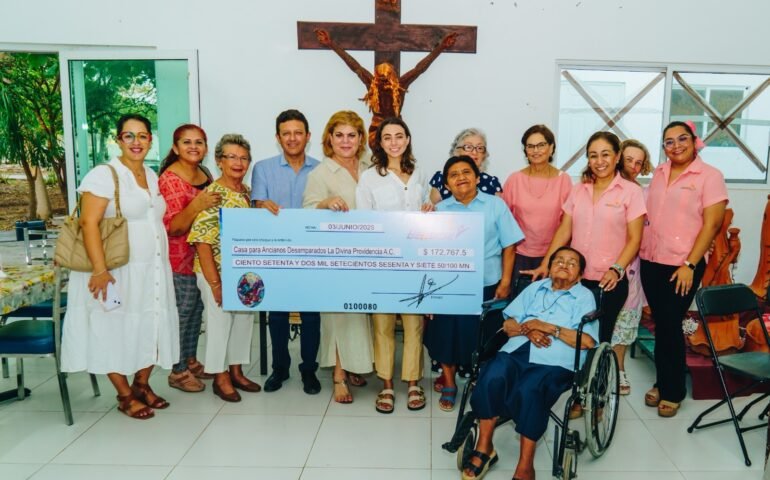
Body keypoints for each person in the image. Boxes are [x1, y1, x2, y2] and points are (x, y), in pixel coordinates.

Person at [61, 114, 179, 420]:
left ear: (150, 140)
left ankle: (141, 384)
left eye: (143, 136)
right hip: (115, 272)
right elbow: (88, 223)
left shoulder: (151, 175)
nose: (136, 142)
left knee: (150, 323)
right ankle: (125, 395)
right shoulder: (103, 175)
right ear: (118, 140)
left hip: (151, 271)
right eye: (129, 136)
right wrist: (100, 271)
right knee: (112, 327)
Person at [462, 246, 597, 480]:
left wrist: (547, 327)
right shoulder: (535, 288)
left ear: (580, 275)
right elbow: (508, 325)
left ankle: (525, 464)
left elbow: (587, 341)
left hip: (556, 360)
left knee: (531, 389)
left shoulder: (584, 297)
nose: (564, 265)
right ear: (549, 267)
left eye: (572, 263)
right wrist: (529, 329)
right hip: (517, 350)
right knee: (492, 375)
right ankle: (485, 447)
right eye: (559, 260)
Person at [525, 131, 646, 349]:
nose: (599, 161)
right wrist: (546, 264)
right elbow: (564, 230)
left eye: (605, 154)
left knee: (599, 340)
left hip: (609, 281)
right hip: (576, 278)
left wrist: (617, 269)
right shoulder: (579, 190)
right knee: (572, 335)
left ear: (617, 156)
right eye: (593, 155)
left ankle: (598, 372)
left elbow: (635, 239)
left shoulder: (631, 192)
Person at [640, 121, 727, 417]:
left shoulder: (710, 176)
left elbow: (712, 224)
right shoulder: (660, 172)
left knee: (669, 323)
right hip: (651, 260)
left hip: (683, 265)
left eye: (682, 139)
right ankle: (663, 381)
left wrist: (690, 263)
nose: (676, 145)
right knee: (663, 324)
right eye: (669, 141)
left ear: (694, 141)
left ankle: (672, 390)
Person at [425, 155, 524, 411]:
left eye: (466, 172)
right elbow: (427, 252)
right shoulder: (440, 210)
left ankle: (483, 381)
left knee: (485, 336)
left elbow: (509, 245)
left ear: (477, 177)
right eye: (454, 174)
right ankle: (449, 383)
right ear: (447, 183)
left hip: (487, 282)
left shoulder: (495, 205)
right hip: (449, 286)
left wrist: (505, 281)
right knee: (445, 334)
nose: (461, 178)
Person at [355, 117, 433, 413]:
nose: (394, 142)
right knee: (383, 325)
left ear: (408, 139)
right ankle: (386, 385)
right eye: (387, 137)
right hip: (383, 262)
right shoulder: (369, 177)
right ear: (380, 142)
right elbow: (364, 221)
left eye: (399, 136)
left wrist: (429, 208)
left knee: (414, 324)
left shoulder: (419, 172)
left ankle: (413, 383)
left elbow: (427, 208)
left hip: (415, 261)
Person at [303, 110, 374, 403]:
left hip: (368, 254)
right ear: (329, 139)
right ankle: (338, 376)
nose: (346, 141)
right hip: (335, 258)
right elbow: (306, 213)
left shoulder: (371, 167)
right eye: (339, 135)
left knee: (359, 316)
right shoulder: (320, 173)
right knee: (338, 317)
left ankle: (355, 365)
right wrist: (325, 203)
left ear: (360, 139)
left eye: (352, 135)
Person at [250, 109, 322, 395]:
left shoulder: (321, 169)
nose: (292, 138)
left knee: (311, 315)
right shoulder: (263, 168)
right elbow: (257, 206)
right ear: (278, 138)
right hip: (276, 254)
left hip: (312, 255)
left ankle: (309, 370)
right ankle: (280, 368)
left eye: (298, 132)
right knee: (277, 315)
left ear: (308, 136)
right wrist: (260, 206)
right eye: (286, 133)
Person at [188, 134, 262, 403]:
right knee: (219, 323)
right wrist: (215, 284)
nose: (238, 163)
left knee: (243, 321)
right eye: (231, 157)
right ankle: (220, 377)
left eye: (243, 158)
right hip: (215, 271)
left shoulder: (248, 192)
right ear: (219, 161)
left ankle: (236, 371)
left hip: (243, 273)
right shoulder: (213, 194)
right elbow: (202, 242)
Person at [314, 28, 458, 148]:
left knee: (396, 153)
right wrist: (331, 44)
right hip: (376, 127)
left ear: (393, 76)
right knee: (380, 159)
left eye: (387, 78)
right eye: (381, 79)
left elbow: (419, 69)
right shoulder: (372, 83)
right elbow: (355, 66)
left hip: (396, 126)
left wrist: (441, 47)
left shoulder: (400, 85)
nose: (384, 82)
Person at [158, 124, 221, 393]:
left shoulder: (204, 173)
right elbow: (173, 227)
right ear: (175, 147)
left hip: (202, 257)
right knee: (182, 313)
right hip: (179, 257)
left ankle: (191, 360)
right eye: (187, 142)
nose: (193, 147)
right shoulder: (170, 179)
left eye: (199, 142)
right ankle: (177, 370)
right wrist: (197, 205)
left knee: (197, 310)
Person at [501, 124, 572, 284]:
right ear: (525, 150)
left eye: (541, 145)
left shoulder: (563, 180)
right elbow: (505, 223)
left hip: (554, 255)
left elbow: (567, 224)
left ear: (551, 147)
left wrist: (551, 259)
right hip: (518, 255)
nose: (536, 150)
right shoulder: (514, 179)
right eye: (530, 146)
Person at [612, 139, 653, 395]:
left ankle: (619, 370)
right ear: (618, 158)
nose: (634, 167)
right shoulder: (602, 186)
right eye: (629, 160)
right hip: (601, 262)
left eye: (639, 162)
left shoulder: (643, 193)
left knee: (625, 321)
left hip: (632, 265)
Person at [429, 128, 502, 204]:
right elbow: (434, 209)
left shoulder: (491, 183)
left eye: (480, 148)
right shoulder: (441, 179)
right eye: (468, 147)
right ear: (457, 151)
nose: (474, 152)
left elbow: (498, 209)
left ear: (484, 155)